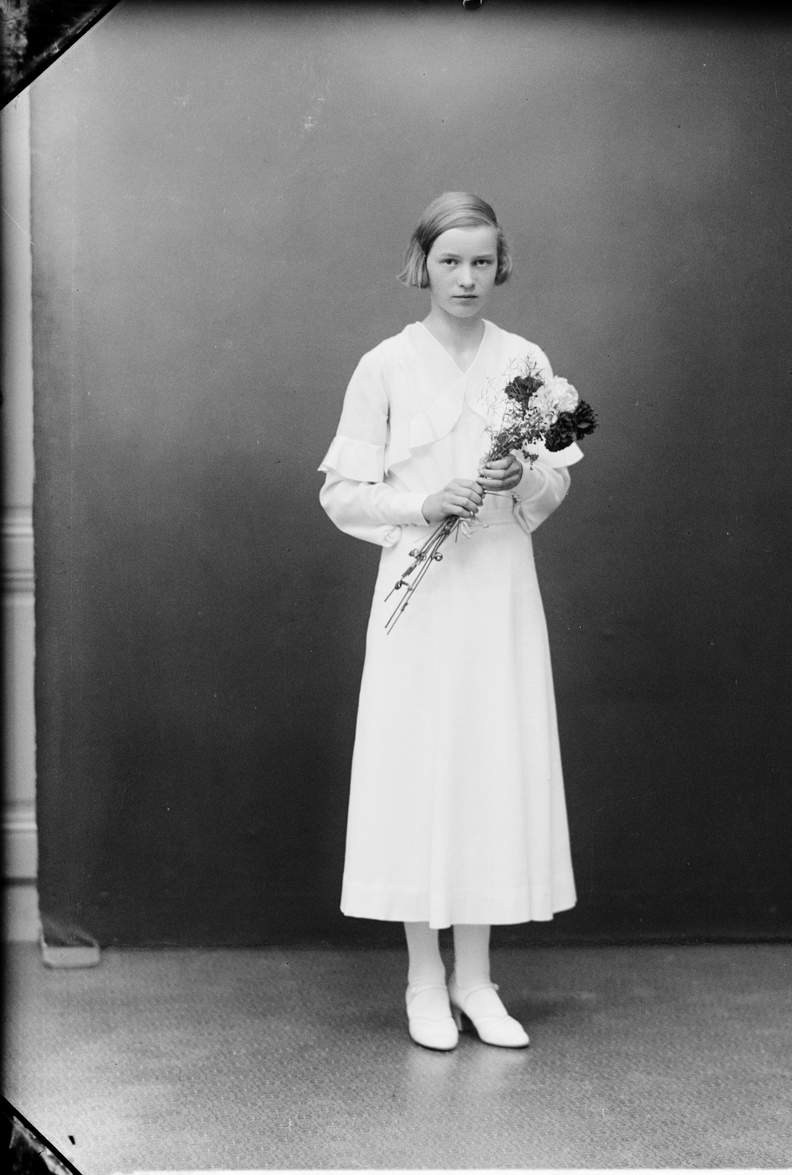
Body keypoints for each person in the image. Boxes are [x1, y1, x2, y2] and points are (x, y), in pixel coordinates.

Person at [318, 192, 583, 1051]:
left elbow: (553, 484)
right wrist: (421, 503)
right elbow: (342, 494)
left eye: (481, 262)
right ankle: (423, 979)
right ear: (421, 265)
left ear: (499, 265)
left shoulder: (527, 361)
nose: (466, 278)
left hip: (498, 588)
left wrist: (520, 481)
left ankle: (476, 980)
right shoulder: (385, 366)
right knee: (419, 770)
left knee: (488, 768)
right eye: (449, 262)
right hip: (420, 591)